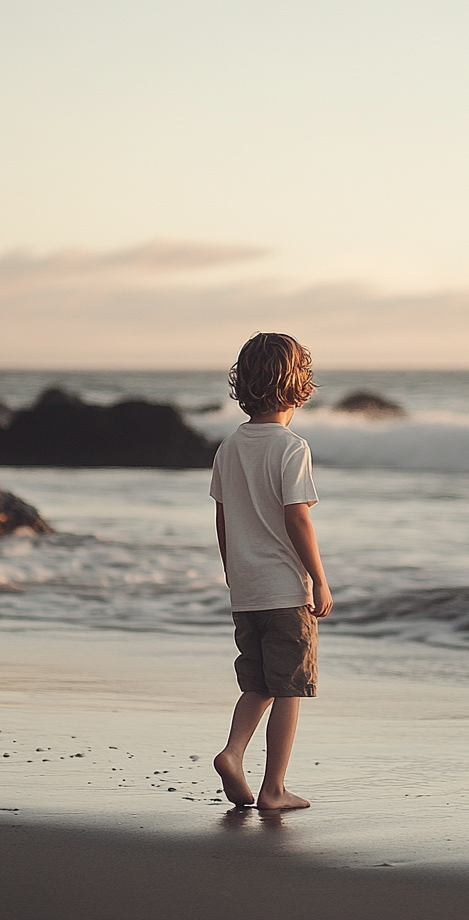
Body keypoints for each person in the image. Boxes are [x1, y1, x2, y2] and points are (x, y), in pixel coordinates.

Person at [210, 332, 333, 810]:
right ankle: (273, 788)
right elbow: (296, 516)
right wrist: (318, 579)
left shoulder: (228, 449)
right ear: (298, 385)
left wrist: (232, 572)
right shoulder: (291, 447)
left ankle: (233, 751)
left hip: (246, 590)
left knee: (257, 682)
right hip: (285, 589)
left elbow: (223, 518)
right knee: (290, 688)